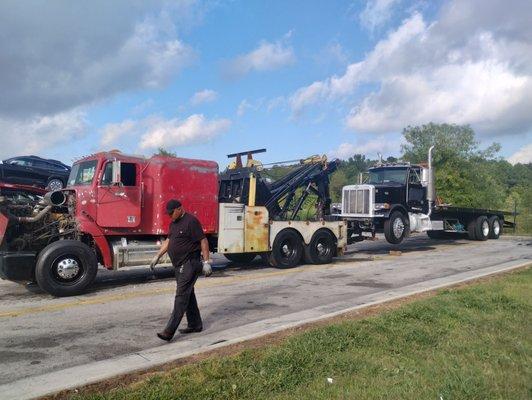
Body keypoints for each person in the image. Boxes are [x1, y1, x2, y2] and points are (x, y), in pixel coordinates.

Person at [150, 199, 212, 341]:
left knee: (181, 296)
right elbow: (169, 241)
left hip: (190, 262)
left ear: (179, 209)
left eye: (171, 213)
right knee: (188, 294)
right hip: (179, 265)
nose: (169, 215)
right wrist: (157, 256)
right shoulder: (173, 224)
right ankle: (195, 324)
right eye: (168, 213)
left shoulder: (191, 221)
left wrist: (207, 262)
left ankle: (169, 331)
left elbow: (203, 240)